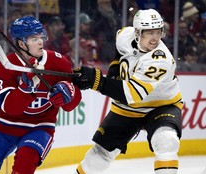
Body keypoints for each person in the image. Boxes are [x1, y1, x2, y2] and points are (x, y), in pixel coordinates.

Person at [72, 9, 183, 174]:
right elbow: (120, 51)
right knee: (100, 155)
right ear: (137, 32)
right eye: (149, 33)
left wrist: (97, 81)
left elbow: (131, 95)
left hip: (161, 106)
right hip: (128, 109)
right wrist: (114, 69)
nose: (155, 38)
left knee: (166, 141)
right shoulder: (125, 35)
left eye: (158, 32)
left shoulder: (160, 60)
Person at [0, 16, 81, 174]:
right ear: (21, 43)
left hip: (41, 127)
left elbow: (72, 102)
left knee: (24, 167)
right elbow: (9, 108)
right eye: (33, 38)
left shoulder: (58, 62)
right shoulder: (4, 68)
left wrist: (69, 93)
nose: (40, 42)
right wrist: (25, 88)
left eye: (40, 37)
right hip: (5, 125)